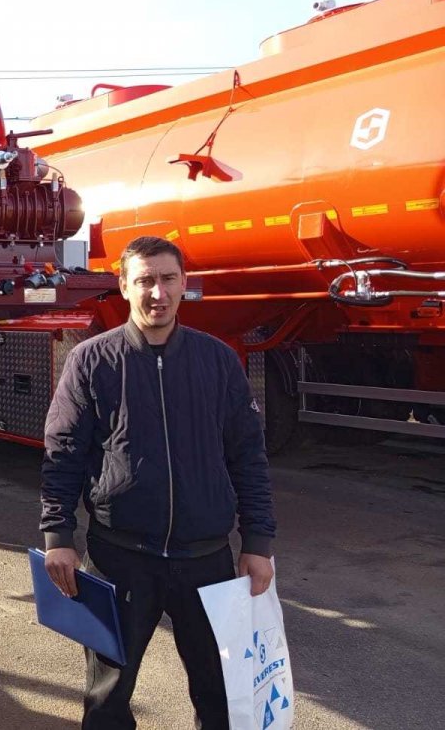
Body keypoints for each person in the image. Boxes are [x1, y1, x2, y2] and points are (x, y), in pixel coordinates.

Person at [40, 235, 276, 730]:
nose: (158, 293)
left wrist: (258, 542)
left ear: (184, 283)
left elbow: (248, 456)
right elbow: (63, 454)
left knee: (221, 696)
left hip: (206, 560)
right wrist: (58, 536)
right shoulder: (91, 361)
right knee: (107, 699)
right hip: (120, 557)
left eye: (168, 279)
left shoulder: (218, 361)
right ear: (124, 286)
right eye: (145, 280)